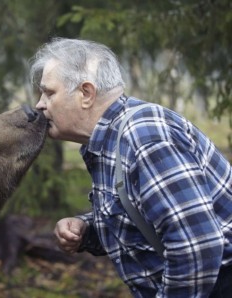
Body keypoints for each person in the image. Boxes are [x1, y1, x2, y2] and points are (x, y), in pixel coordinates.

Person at [29, 37, 232, 297]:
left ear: (86, 94)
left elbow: (197, 248)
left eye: (49, 92)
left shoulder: (145, 136)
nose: (40, 104)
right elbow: (145, 218)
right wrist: (86, 229)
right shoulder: (109, 141)